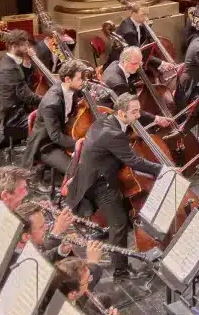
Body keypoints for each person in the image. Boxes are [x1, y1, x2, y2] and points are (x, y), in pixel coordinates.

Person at [67, 93, 160, 246]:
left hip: (94, 173)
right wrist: (163, 169)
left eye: (138, 111)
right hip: (98, 183)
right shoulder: (113, 134)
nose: (138, 116)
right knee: (119, 224)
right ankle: (119, 270)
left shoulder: (105, 119)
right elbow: (134, 161)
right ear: (122, 113)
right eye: (134, 112)